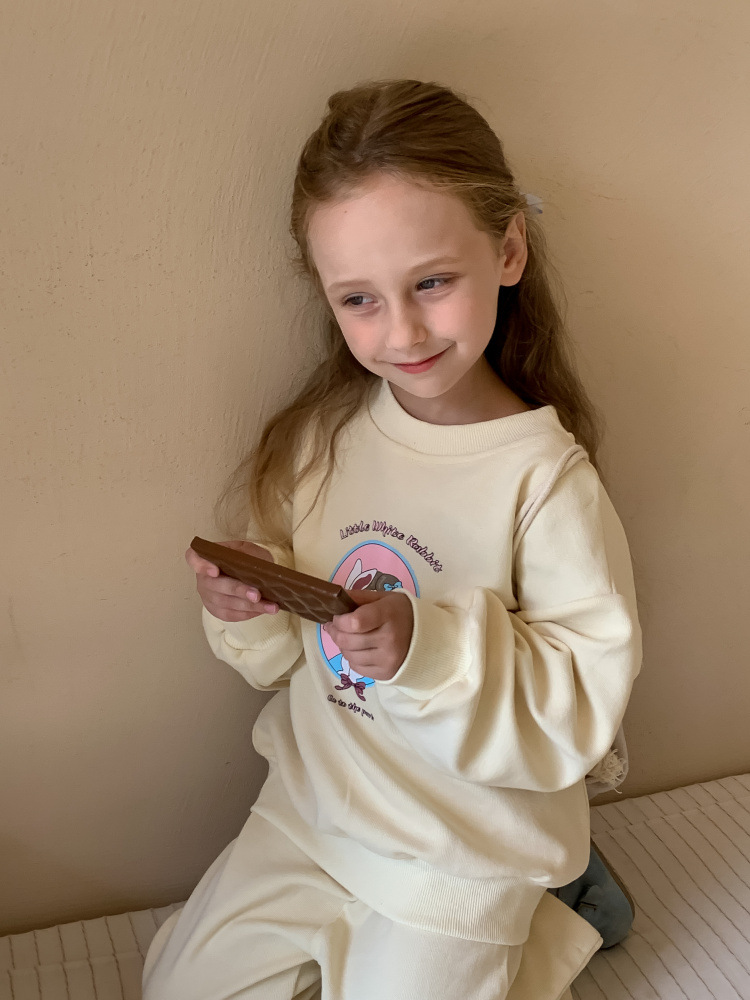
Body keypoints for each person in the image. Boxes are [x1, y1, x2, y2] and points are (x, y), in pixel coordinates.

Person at [142, 78, 643, 1000]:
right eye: (359, 300)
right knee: (179, 987)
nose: (402, 331)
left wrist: (427, 647)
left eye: (432, 283)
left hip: (463, 849)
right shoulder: (320, 444)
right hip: (313, 814)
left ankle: (554, 911)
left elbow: (584, 703)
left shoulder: (544, 479)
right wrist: (246, 603)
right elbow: (278, 665)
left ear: (509, 250)